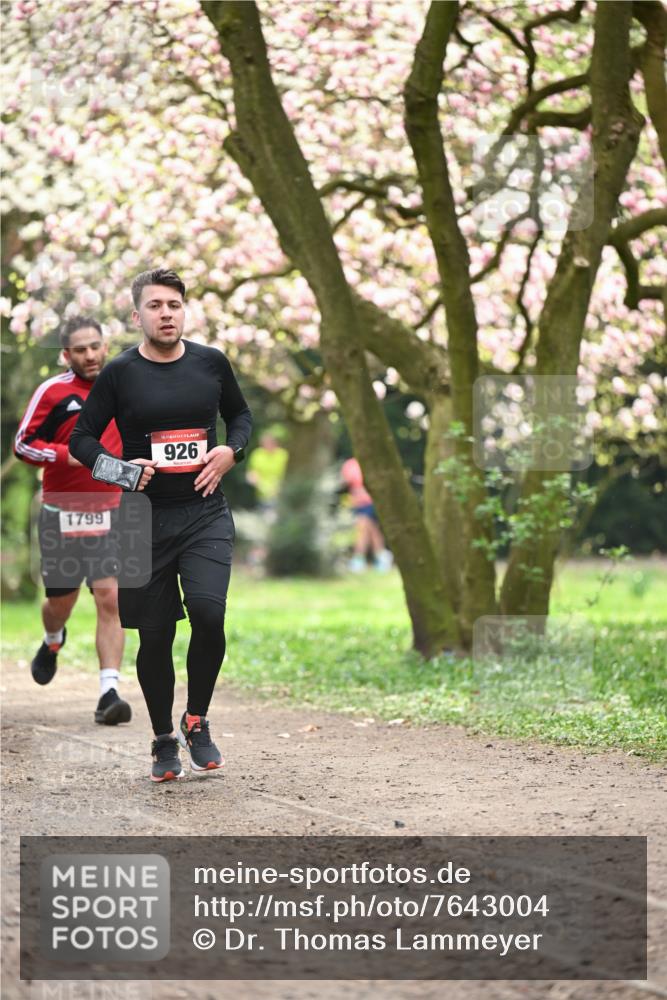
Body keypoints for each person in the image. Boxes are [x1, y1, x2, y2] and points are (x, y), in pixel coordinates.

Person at [70, 268, 252, 783]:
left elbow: (241, 417)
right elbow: (82, 440)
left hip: (204, 513)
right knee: (154, 637)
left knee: (209, 615)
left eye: (173, 304)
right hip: (140, 519)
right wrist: (122, 471)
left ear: (183, 310)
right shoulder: (120, 373)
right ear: (137, 315)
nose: (165, 313)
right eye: (155, 306)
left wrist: (230, 451)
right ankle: (162, 739)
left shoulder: (211, 363)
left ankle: (196, 719)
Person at [14, 315, 131, 725]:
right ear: (67, 355)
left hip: (113, 511)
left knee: (111, 597)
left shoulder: (123, 385)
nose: (89, 355)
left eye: (94, 346)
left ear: (105, 346)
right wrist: (67, 454)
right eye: (79, 349)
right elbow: (23, 444)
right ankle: (52, 639)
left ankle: (109, 692)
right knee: (60, 602)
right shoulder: (53, 392)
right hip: (63, 512)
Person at [340, 457, 392, 572]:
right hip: (358, 503)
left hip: (370, 501)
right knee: (372, 529)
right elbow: (346, 482)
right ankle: (381, 556)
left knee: (362, 528)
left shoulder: (372, 462)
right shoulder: (350, 464)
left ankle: (359, 559)